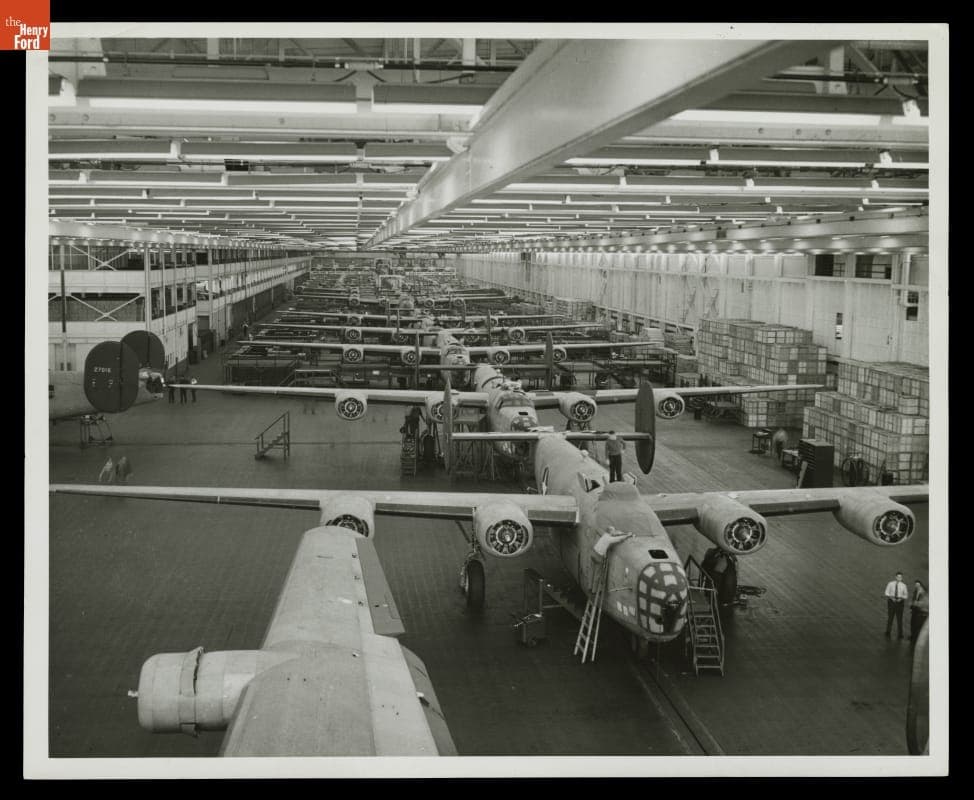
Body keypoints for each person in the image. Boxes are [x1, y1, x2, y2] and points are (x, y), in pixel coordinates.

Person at [884, 571, 909, 639]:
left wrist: (900, 599)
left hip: (900, 603)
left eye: (900, 577)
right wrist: (892, 598)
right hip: (891, 602)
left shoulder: (904, 586)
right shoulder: (890, 584)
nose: (899, 578)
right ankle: (888, 631)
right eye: (898, 577)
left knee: (899, 619)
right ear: (895, 577)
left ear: (902, 578)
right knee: (890, 617)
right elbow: (886, 592)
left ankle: (900, 634)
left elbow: (906, 595)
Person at [910, 580, 929, 645]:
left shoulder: (926, 596)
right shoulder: (924, 595)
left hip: (922, 614)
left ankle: (915, 640)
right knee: (915, 625)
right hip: (919, 613)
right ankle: (914, 638)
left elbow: (924, 604)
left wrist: (915, 603)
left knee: (918, 627)